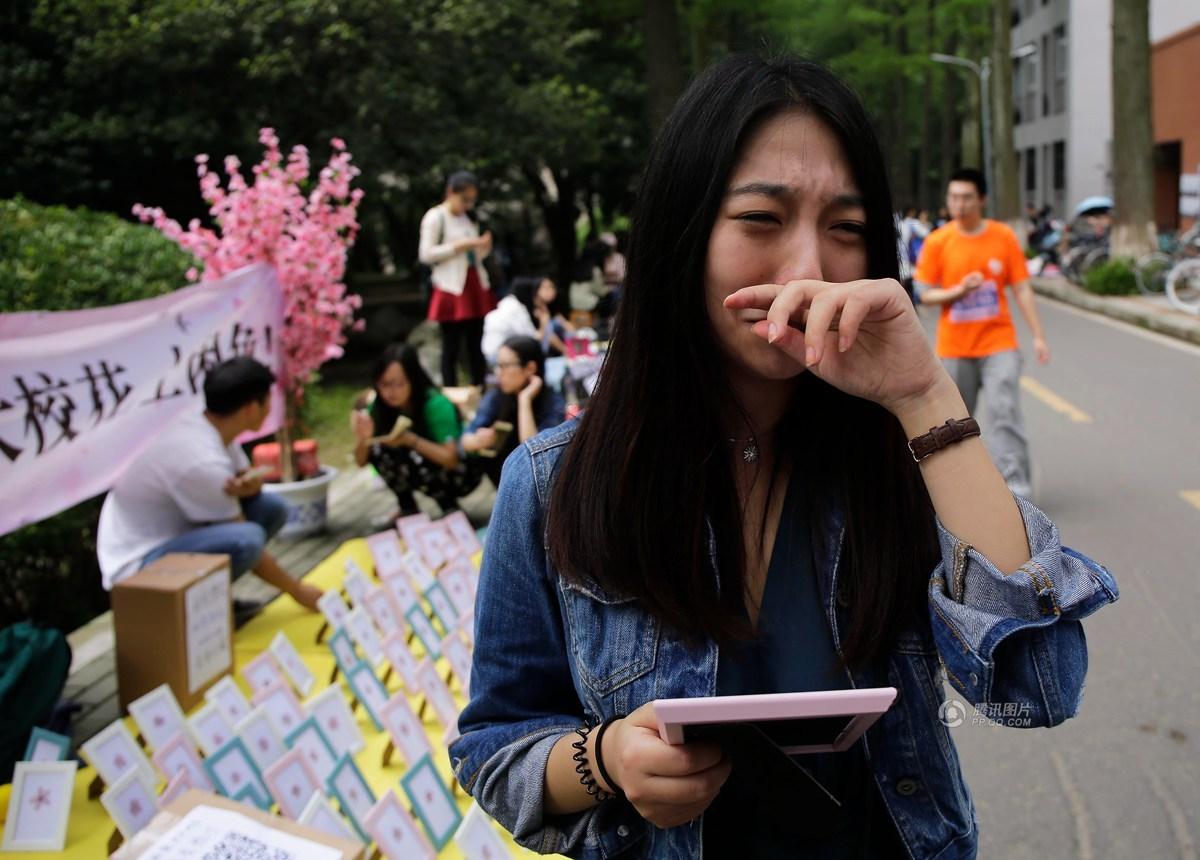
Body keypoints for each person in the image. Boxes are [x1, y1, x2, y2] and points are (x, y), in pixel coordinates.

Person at [449, 54, 1117, 859]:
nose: (807, 269)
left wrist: (926, 399)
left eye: (845, 230)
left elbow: (1034, 690)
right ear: (683, 236)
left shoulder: (902, 468)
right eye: (761, 220)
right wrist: (606, 760)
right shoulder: (555, 482)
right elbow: (495, 746)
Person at [97, 357, 322, 610]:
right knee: (247, 539)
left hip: (178, 535)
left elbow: (244, 478)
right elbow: (248, 542)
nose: (271, 406)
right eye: (268, 399)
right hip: (137, 566)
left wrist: (250, 488)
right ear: (251, 407)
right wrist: (298, 592)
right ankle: (193, 609)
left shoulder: (212, 425)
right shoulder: (201, 461)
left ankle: (210, 600)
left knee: (271, 508)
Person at [913, 167, 1050, 499]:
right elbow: (924, 292)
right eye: (954, 197)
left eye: (967, 197)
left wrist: (1038, 335)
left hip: (998, 342)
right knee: (954, 422)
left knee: (1005, 410)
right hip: (955, 347)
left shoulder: (1002, 237)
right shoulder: (938, 241)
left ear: (982, 199)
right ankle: (953, 490)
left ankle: (1017, 491)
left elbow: (1022, 289)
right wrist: (958, 291)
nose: (959, 204)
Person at [351, 343, 477, 518]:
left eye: (399, 384)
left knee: (412, 454)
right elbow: (361, 461)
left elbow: (452, 459)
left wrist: (411, 440)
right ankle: (407, 508)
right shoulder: (378, 406)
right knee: (380, 449)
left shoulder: (435, 404)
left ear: (413, 379)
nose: (390, 392)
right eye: (384, 384)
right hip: (416, 469)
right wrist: (363, 439)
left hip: (460, 475)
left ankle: (449, 507)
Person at [419, 170, 496, 387]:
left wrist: (482, 247)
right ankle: (451, 391)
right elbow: (425, 254)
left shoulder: (468, 219)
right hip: (450, 286)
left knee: (476, 344)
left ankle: (479, 387)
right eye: (464, 199)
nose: (468, 204)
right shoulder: (436, 217)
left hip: (473, 282)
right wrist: (458, 246)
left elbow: (475, 256)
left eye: (472, 200)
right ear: (451, 192)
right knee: (451, 346)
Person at [460, 336, 566, 488]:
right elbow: (464, 442)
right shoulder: (496, 396)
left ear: (530, 368)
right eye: (498, 365)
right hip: (505, 483)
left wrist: (524, 400)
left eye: (505, 366)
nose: (498, 373)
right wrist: (478, 440)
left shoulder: (553, 403)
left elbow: (537, 458)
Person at [481, 277, 571, 364]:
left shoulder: (509, 304)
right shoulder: (516, 309)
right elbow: (532, 340)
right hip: (497, 356)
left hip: (492, 352)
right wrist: (544, 321)